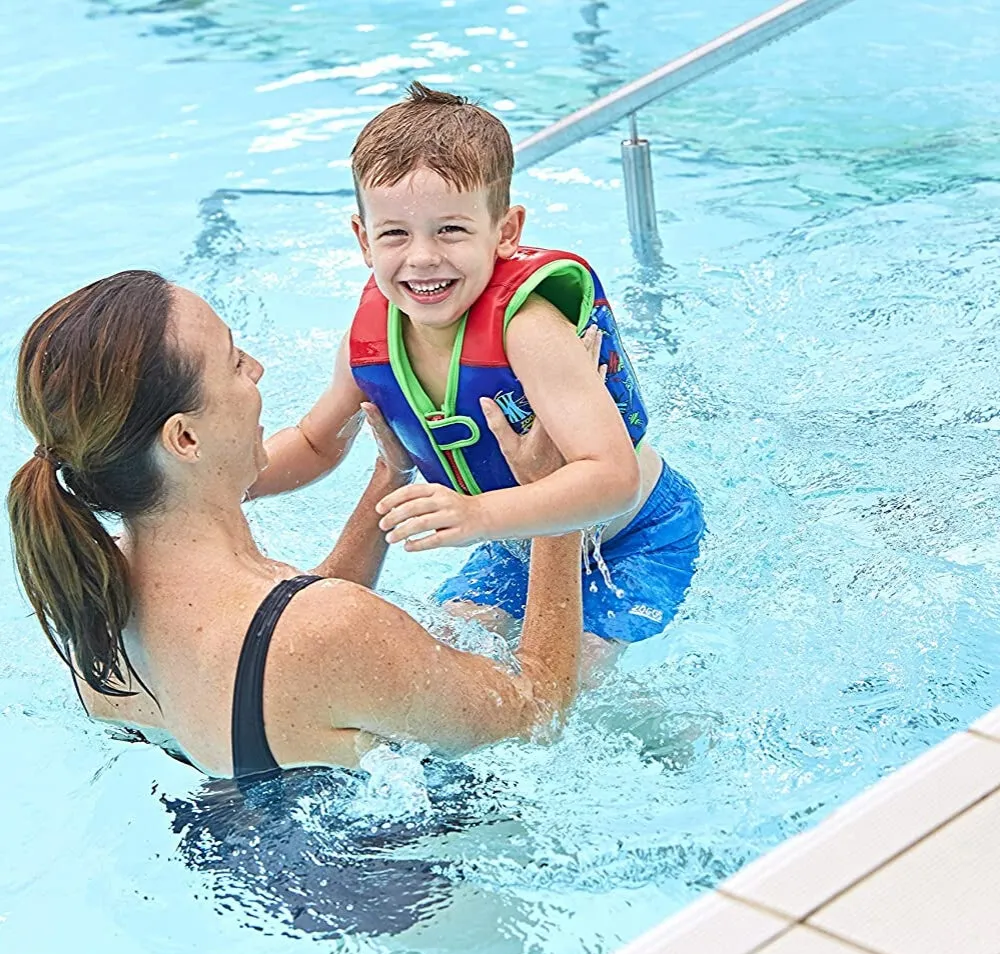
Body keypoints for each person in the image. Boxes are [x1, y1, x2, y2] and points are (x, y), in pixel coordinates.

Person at [6, 270, 583, 778]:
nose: (256, 370)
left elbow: (285, 643)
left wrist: (390, 475)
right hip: (399, 888)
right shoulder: (325, 630)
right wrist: (555, 502)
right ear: (185, 438)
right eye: (234, 363)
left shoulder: (93, 595)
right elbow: (537, 716)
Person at [251, 83, 704, 658]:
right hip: (510, 540)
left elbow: (612, 476)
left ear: (506, 232)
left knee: (577, 684)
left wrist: (477, 513)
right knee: (445, 670)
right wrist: (221, 485)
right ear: (364, 240)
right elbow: (316, 444)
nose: (422, 257)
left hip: (636, 535)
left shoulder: (528, 330)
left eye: (451, 230)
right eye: (395, 233)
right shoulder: (371, 341)